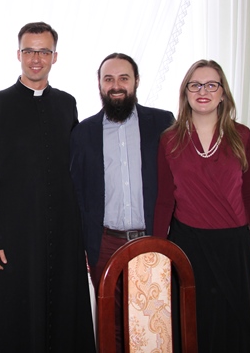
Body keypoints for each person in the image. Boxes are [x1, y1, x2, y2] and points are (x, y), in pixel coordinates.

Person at [0, 22, 95, 352]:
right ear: (18, 54)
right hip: (14, 236)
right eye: (29, 51)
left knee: (63, 316)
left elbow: (76, 169)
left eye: (44, 51)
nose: (36, 59)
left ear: (55, 56)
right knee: (14, 318)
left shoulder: (67, 104)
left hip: (63, 233)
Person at [153, 59, 250, 352]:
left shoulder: (242, 136)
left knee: (237, 325)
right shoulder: (169, 139)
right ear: (186, 93)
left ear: (222, 93)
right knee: (195, 324)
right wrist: (158, 248)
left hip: (234, 245)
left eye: (211, 85)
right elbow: (164, 199)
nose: (203, 91)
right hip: (188, 244)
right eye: (195, 85)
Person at [70, 52, 174, 352]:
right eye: (109, 79)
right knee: (111, 325)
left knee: (155, 323)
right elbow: (77, 192)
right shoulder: (83, 132)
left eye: (123, 78)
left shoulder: (163, 123)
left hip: (153, 239)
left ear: (136, 81)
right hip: (105, 244)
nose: (116, 85)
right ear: (100, 84)